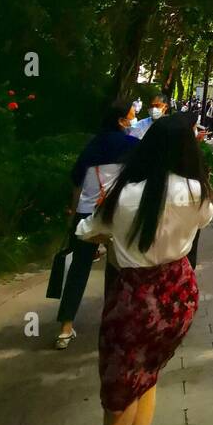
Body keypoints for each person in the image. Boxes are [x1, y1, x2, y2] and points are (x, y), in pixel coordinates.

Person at [76, 114, 213, 425]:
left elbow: (88, 231)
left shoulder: (124, 195)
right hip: (177, 300)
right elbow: (202, 223)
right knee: (147, 380)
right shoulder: (195, 193)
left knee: (115, 418)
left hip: (133, 304)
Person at [54, 99, 139, 349]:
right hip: (117, 215)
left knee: (78, 270)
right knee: (118, 270)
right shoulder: (132, 145)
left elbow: (76, 180)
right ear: (121, 121)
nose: (134, 119)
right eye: (132, 115)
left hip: (86, 216)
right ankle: (113, 327)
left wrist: (73, 215)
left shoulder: (91, 146)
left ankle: (65, 328)